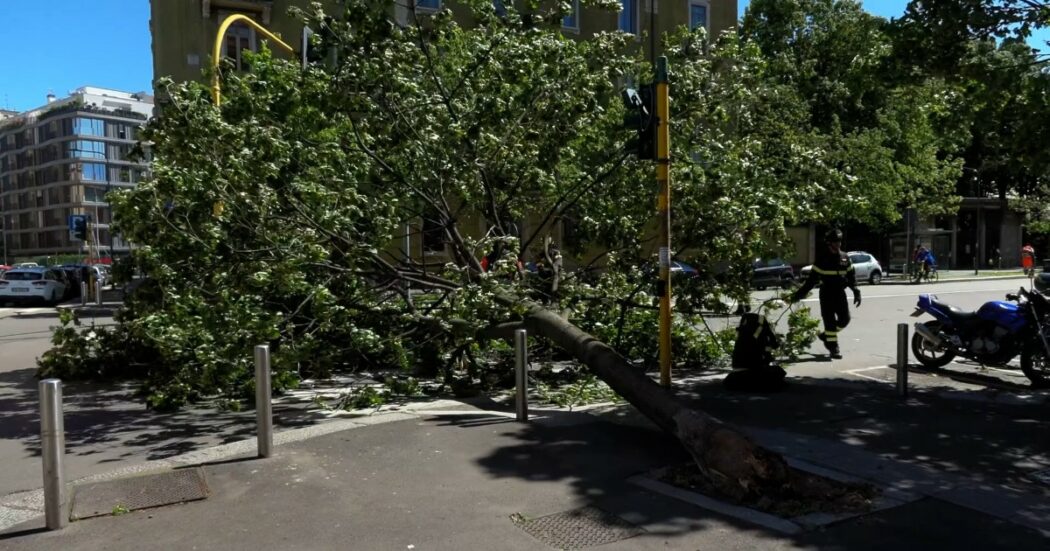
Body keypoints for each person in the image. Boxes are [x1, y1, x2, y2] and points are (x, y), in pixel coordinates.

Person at [790, 228, 861, 359]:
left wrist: (856, 291)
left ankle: (825, 336)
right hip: (827, 295)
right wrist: (799, 293)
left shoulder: (845, 258)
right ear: (829, 243)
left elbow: (851, 277)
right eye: (835, 242)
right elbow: (811, 280)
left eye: (839, 241)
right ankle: (834, 348)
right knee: (829, 323)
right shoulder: (822, 259)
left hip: (840, 294)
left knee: (845, 320)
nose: (838, 244)